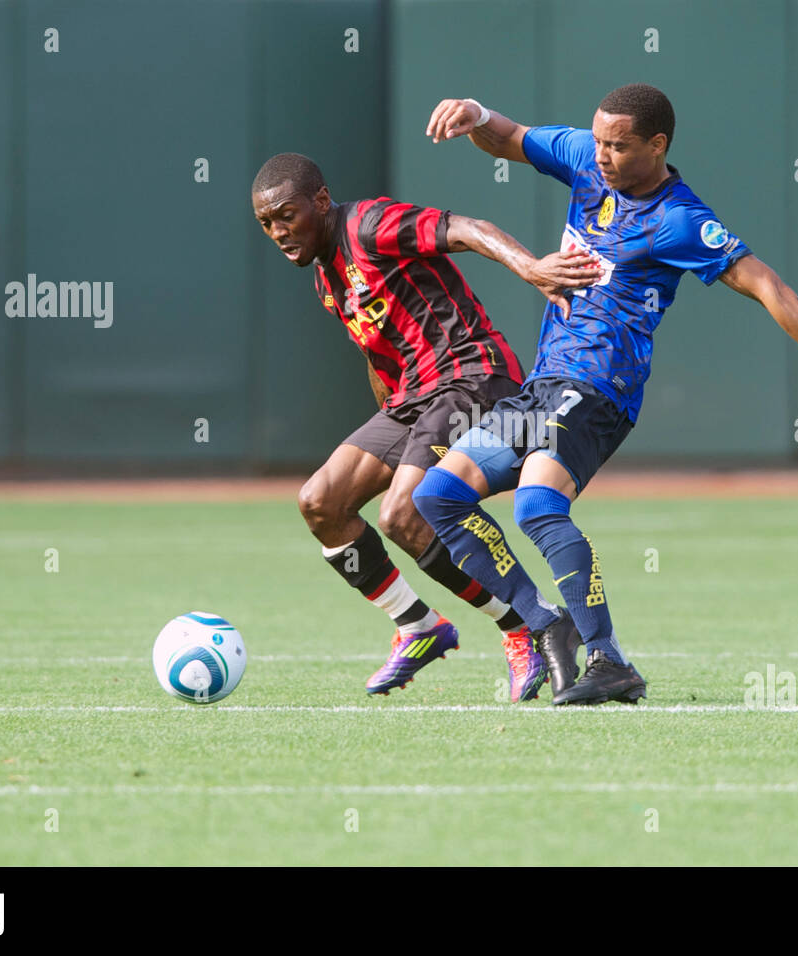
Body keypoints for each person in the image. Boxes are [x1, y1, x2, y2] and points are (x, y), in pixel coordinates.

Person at [412, 84, 798, 706]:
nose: (601, 155)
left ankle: (608, 660)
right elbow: (508, 138)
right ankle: (546, 623)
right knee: (439, 496)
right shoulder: (585, 160)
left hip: (598, 389)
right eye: (596, 141)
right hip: (542, 386)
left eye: (617, 146)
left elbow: (765, 284)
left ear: (657, 145)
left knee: (537, 506)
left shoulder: (680, 220)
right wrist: (476, 115)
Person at [250, 152, 594, 699]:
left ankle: (530, 622)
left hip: (473, 376)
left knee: (402, 512)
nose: (278, 231)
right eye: (266, 223)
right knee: (320, 502)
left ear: (320, 201)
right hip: (411, 400)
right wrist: (389, 425)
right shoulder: (326, 280)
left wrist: (530, 268)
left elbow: (471, 229)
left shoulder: (369, 224)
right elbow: (375, 353)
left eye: (286, 215)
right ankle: (418, 625)